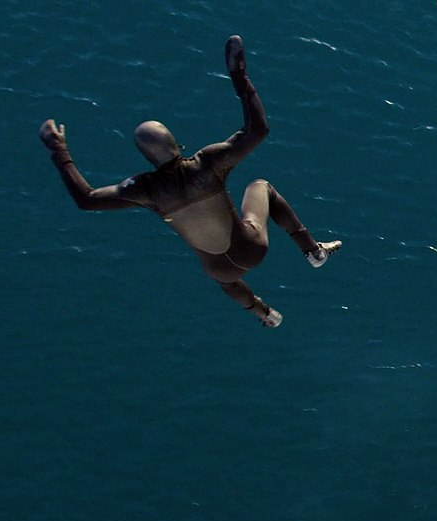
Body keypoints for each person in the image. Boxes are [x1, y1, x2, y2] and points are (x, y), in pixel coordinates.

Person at [38, 35, 340, 328]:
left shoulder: (145, 189)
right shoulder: (206, 163)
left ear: (147, 159)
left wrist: (59, 151)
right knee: (260, 187)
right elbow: (257, 130)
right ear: (177, 145)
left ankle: (265, 314)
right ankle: (313, 251)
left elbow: (86, 199)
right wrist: (239, 77)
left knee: (224, 277)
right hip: (251, 248)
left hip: (218, 268)